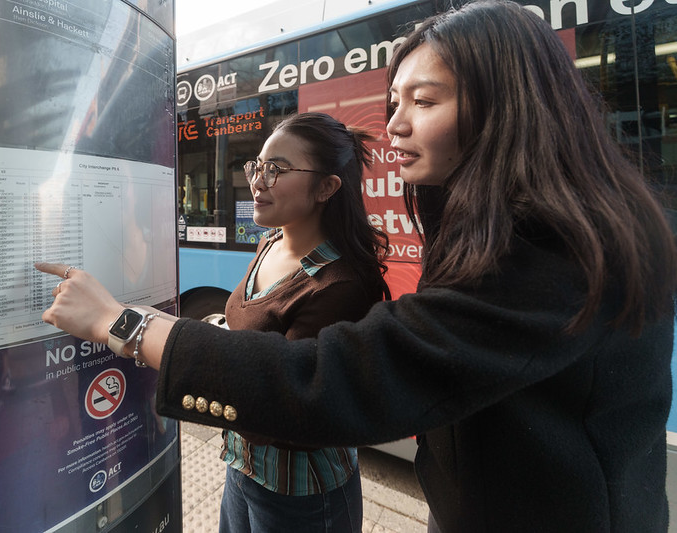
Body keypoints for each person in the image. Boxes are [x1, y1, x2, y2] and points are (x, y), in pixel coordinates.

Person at [36, 1, 677, 531]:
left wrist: (126, 325)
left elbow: (339, 379)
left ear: (506, 107)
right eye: (393, 101)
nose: (394, 124)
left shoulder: (549, 244)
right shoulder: (500, 224)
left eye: (423, 101)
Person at [47, 112, 391, 532]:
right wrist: (142, 315)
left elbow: (276, 402)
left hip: (303, 495)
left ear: (326, 187)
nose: (257, 181)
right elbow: (243, 333)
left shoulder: (341, 285)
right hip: (242, 468)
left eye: (277, 169)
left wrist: (122, 326)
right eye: (257, 166)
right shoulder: (271, 242)